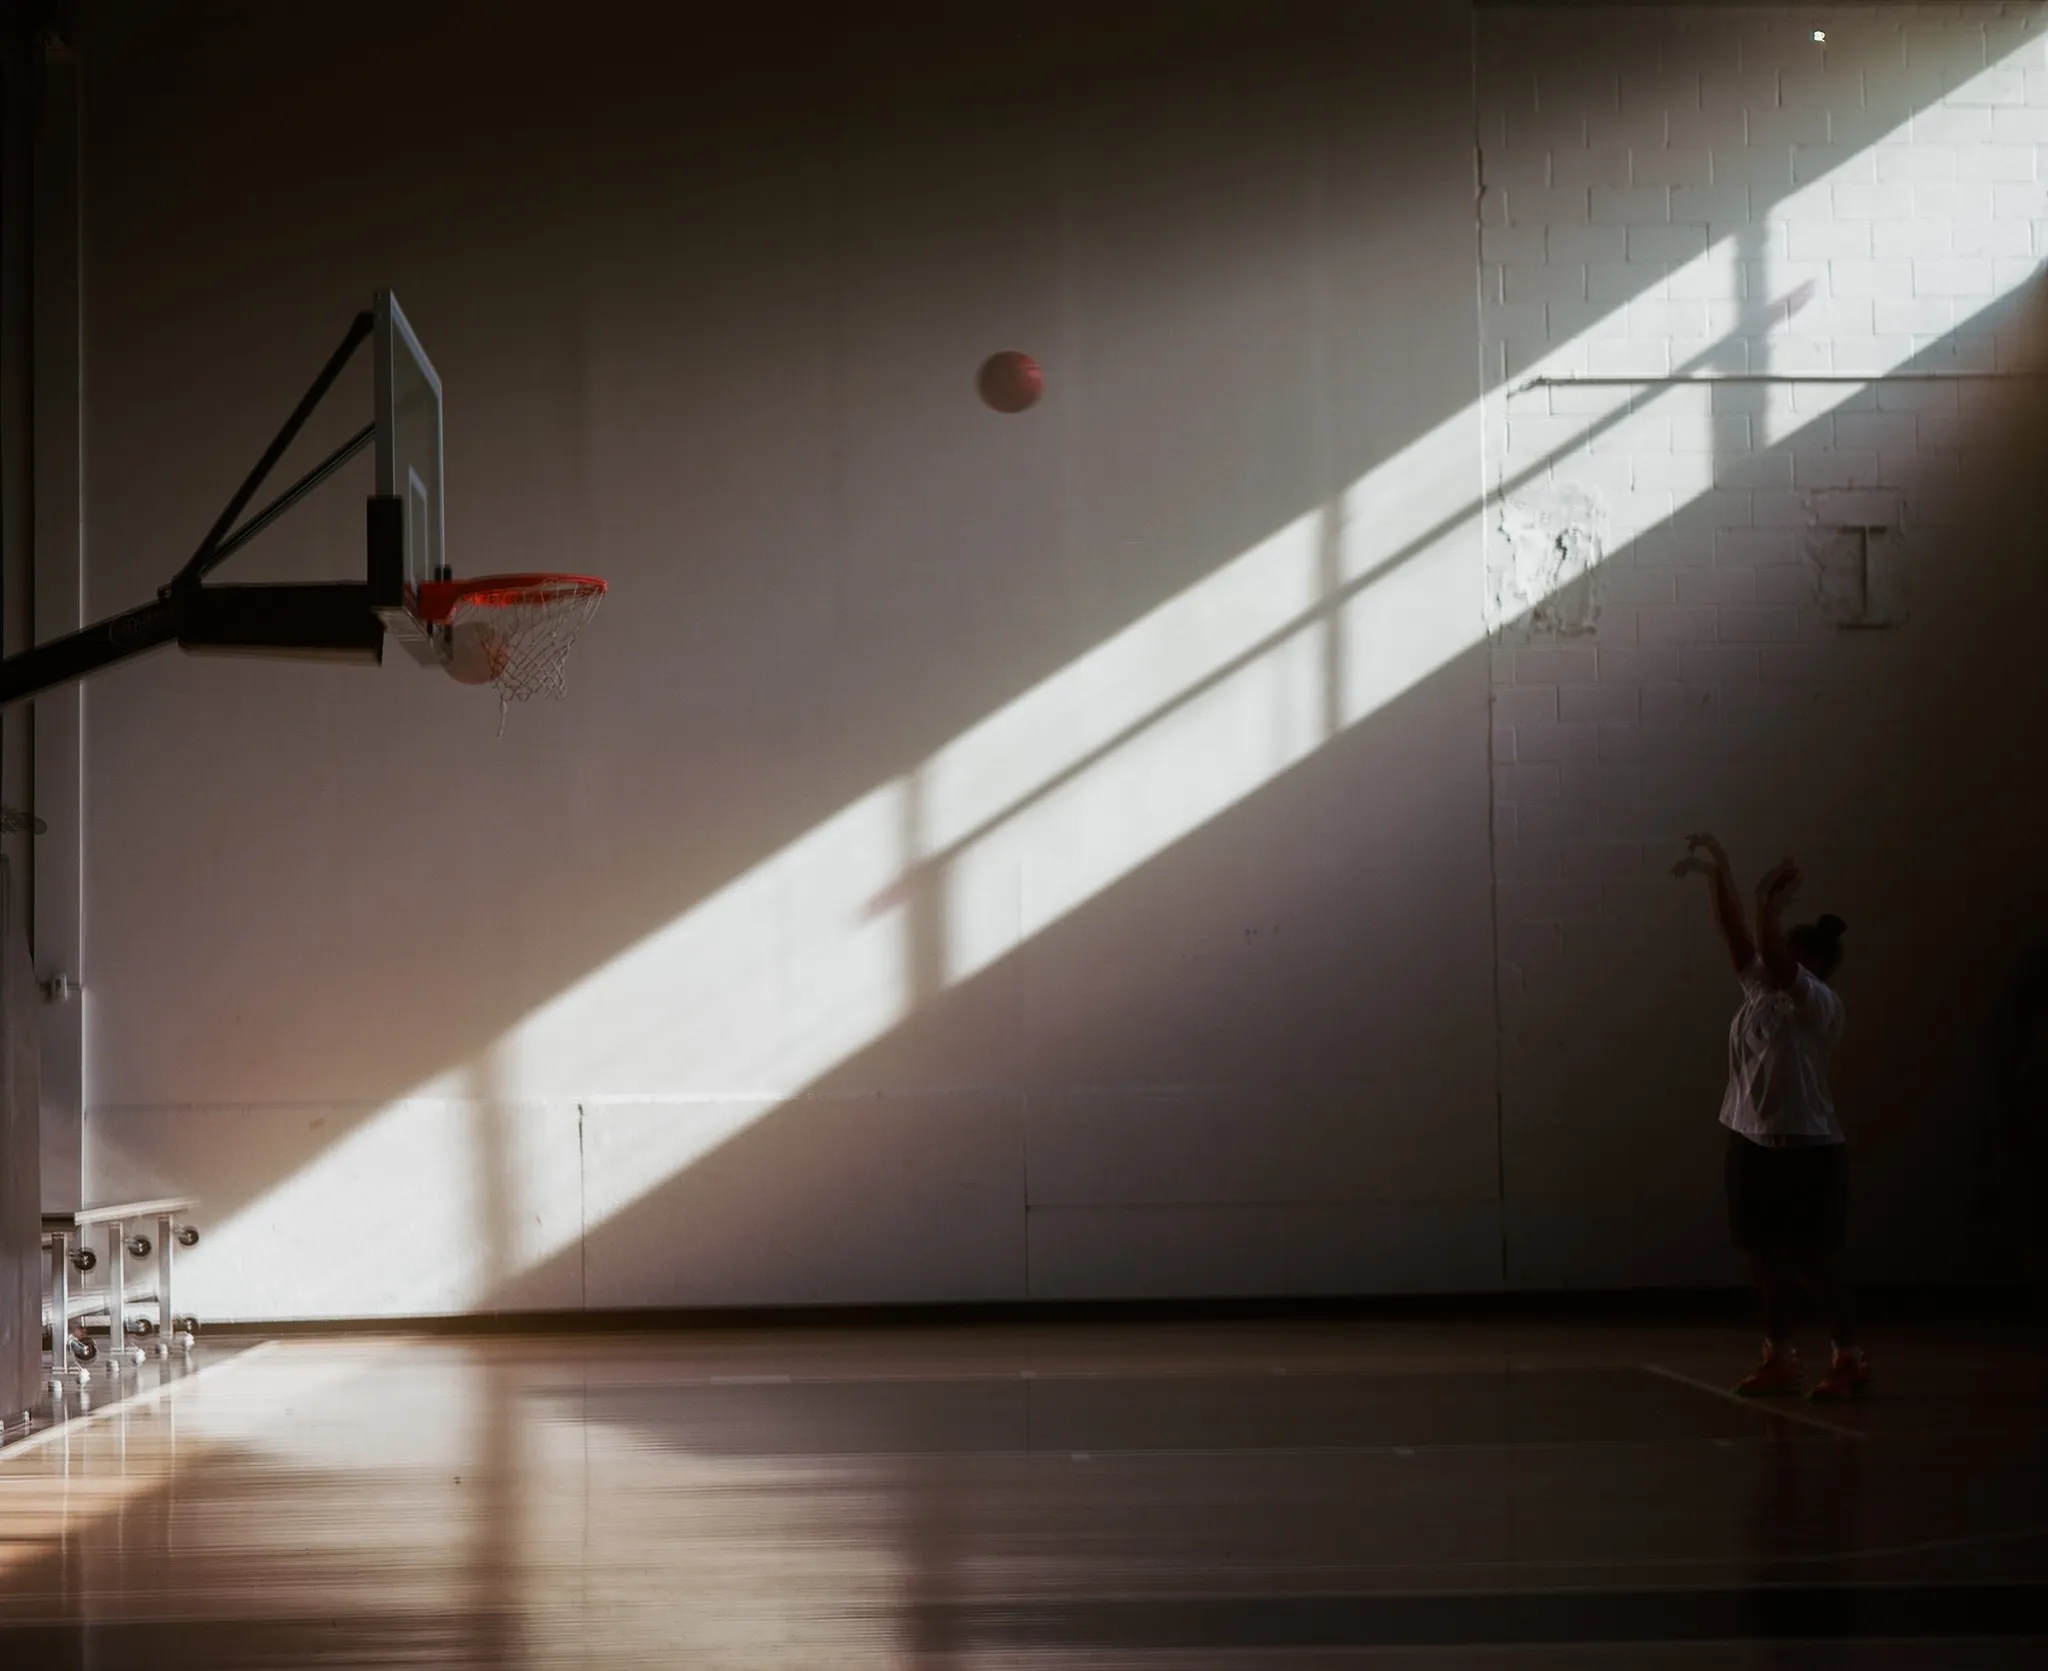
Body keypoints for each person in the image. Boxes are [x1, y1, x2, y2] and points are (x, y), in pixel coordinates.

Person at [1671, 833, 1868, 1400]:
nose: (1768, 951)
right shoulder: (1761, 993)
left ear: (1809, 965)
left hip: (1809, 1148)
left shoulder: (1819, 1005)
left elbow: (1772, 953)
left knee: (1815, 1259)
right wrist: (1721, 874)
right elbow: (1738, 939)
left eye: (1781, 946)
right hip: (1752, 1141)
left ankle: (1848, 1357)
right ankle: (1779, 1357)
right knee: (1763, 1259)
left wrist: (1770, 908)